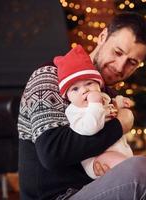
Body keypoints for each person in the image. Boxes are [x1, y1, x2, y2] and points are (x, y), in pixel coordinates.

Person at [18, 12, 146, 200]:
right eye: (117, 53)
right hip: (60, 196)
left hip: (99, 188)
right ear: (102, 37)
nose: (120, 67)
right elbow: (51, 154)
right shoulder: (50, 77)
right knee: (143, 173)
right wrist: (120, 125)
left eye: (132, 62)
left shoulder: (109, 96)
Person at [56, 45, 133, 179]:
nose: (84, 90)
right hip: (97, 158)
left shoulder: (103, 98)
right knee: (132, 170)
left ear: (99, 85)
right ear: (67, 96)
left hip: (119, 149)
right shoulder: (74, 111)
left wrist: (119, 102)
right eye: (75, 89)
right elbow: (91, 128)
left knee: (137, 168)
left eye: (89, 83)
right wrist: (95, 104)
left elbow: (112, 108)